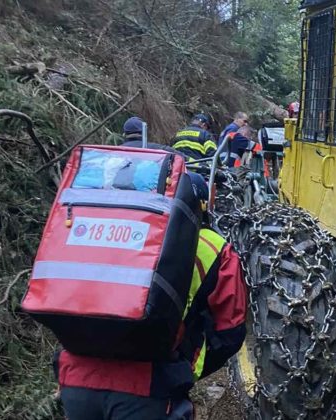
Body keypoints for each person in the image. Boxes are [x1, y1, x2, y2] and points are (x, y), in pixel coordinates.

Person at [54, 164, 247, 418]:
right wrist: (185, 370)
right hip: (147, 389)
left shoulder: (105, 230)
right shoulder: (214, 248)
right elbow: (230, 333)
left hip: (76, 381)